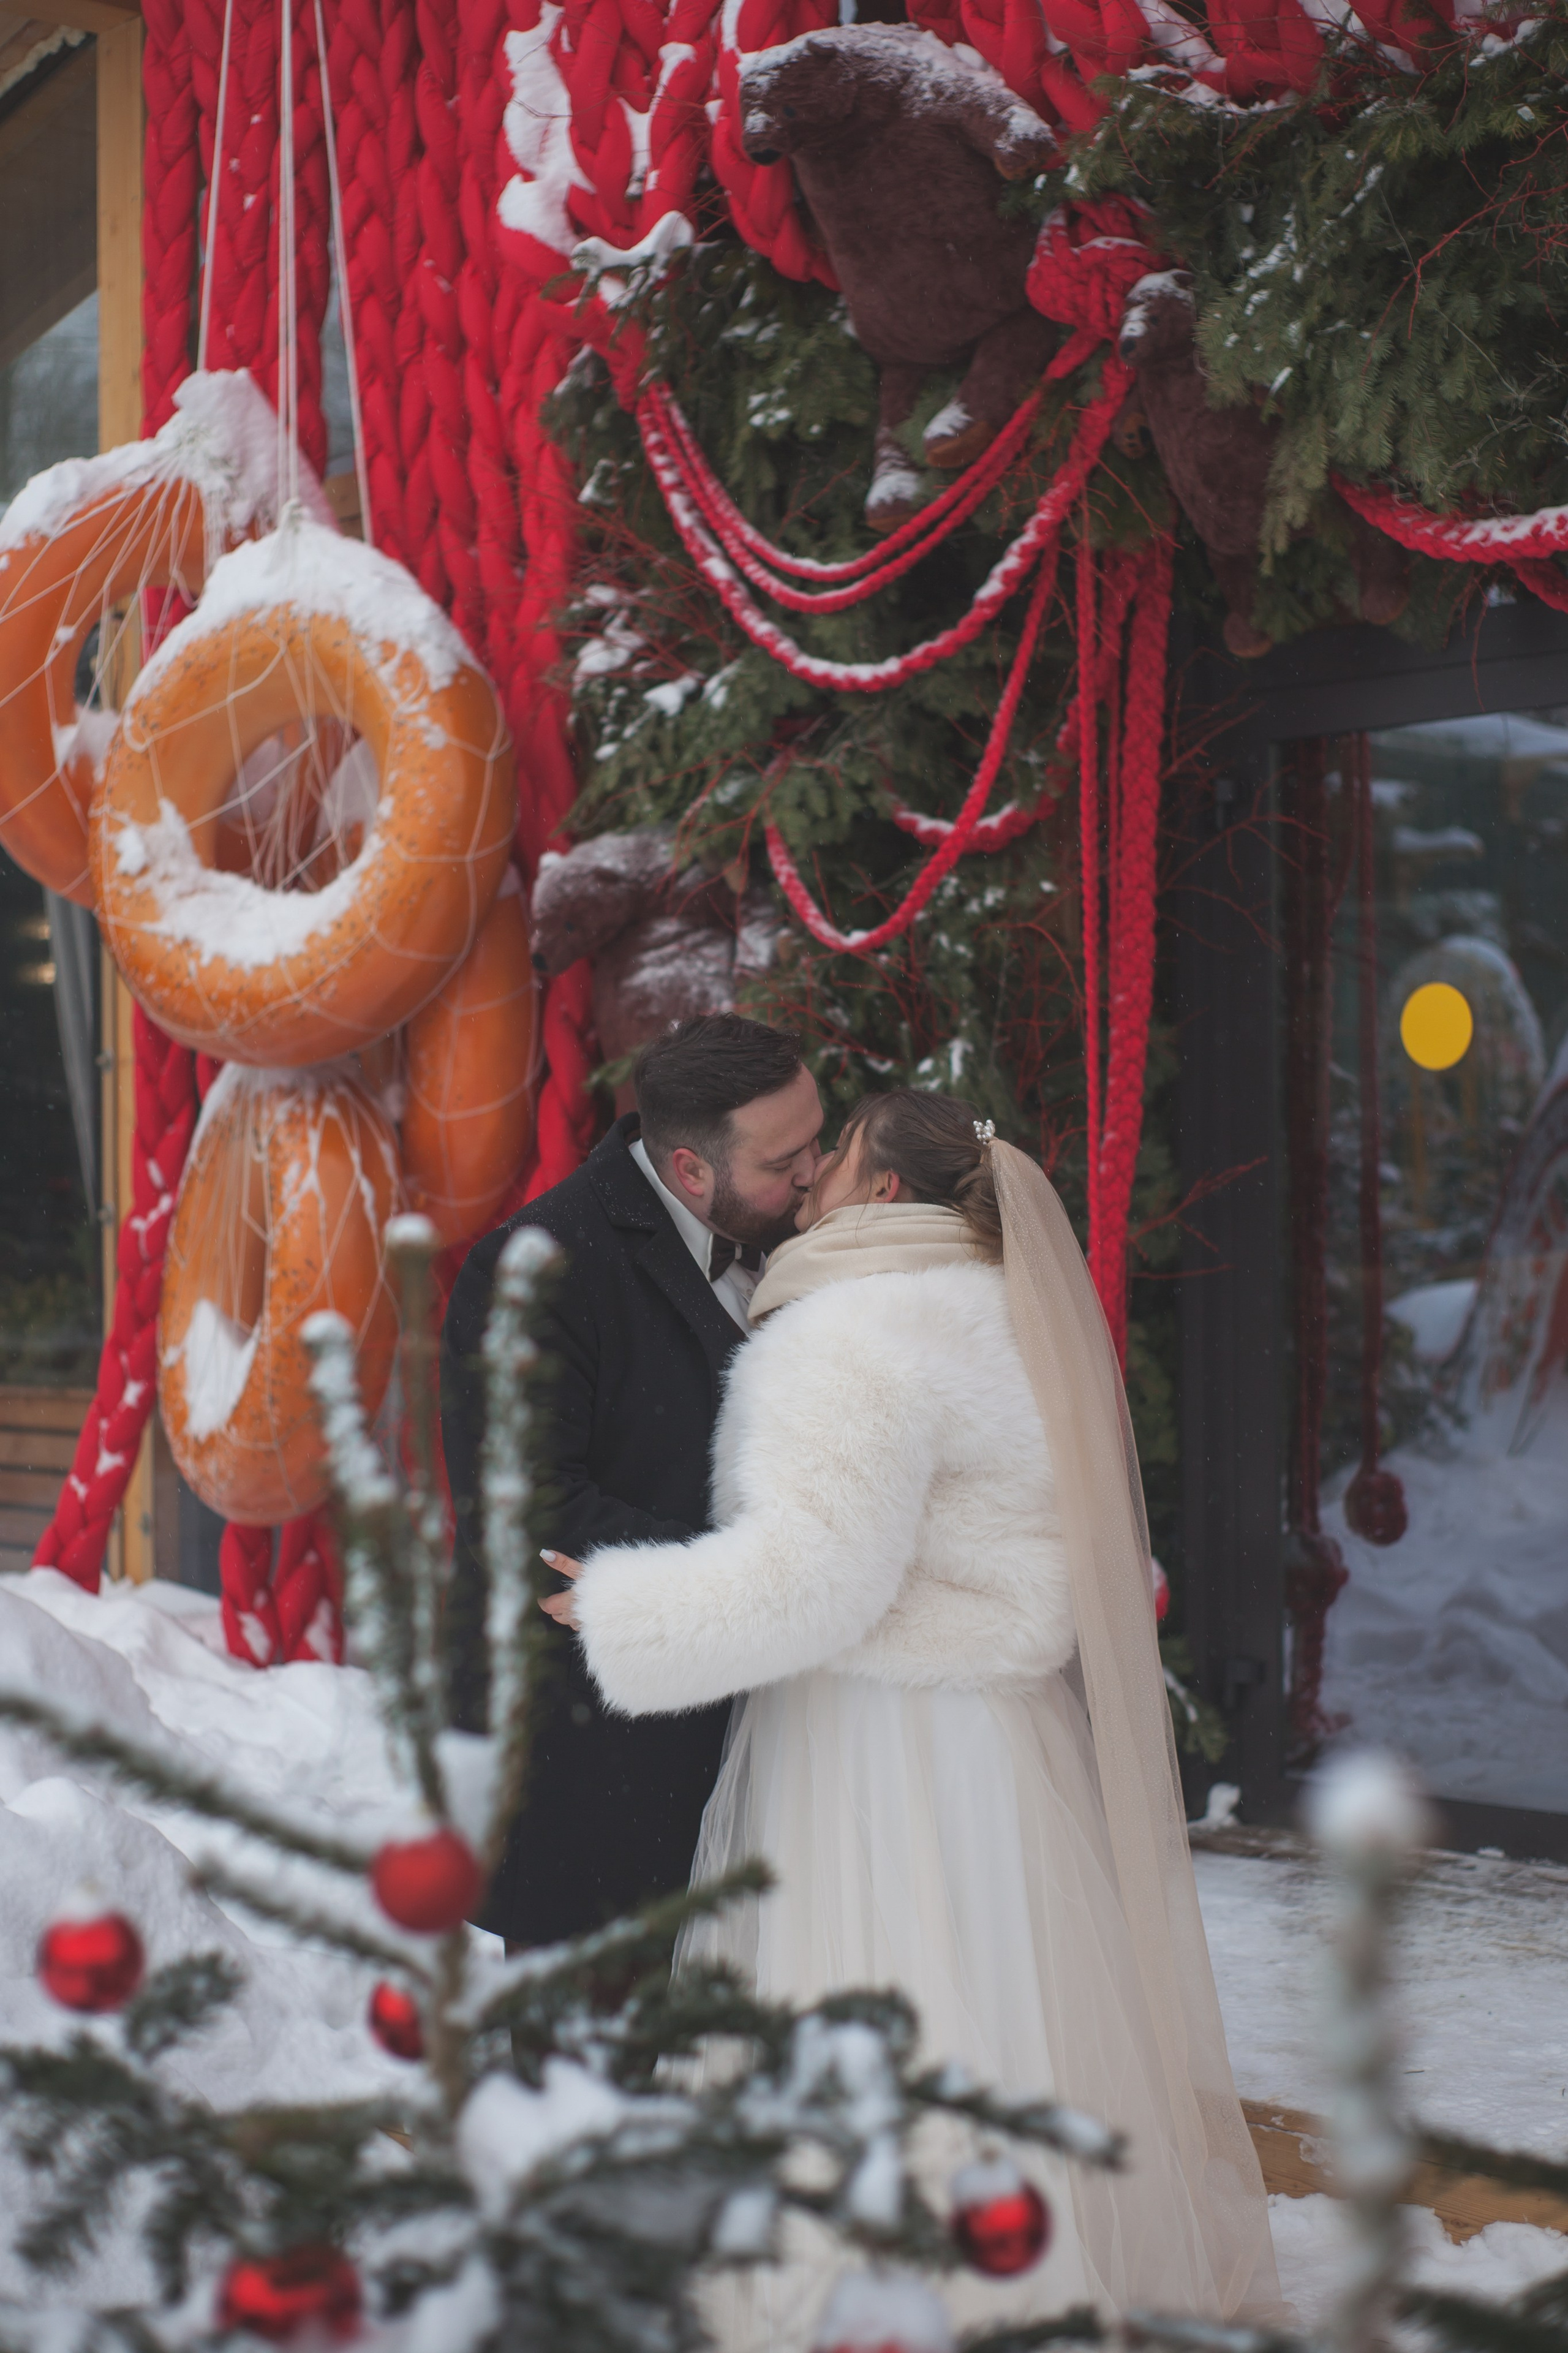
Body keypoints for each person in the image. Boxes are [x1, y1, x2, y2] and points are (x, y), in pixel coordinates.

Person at [548, 1092, 1282, 2328]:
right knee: (997, 2021)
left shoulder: (851, 1331)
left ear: (884, 1192)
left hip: (875, 1741)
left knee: (886, 2021)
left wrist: (625, 1611)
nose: (811, 1170)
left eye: (831, 1154)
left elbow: (815, 1578)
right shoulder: (1006, 1318)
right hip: (994, 1741)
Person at [440, 1012, 823, 1946]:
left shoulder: (799, 1231)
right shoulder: (539, 1267)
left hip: (773, 1750)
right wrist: (766, 1579)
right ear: (693, 1171)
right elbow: (528, 1511)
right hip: (601, 1761)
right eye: (785, 1162)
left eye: (823, 1137)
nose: (816, 1174)